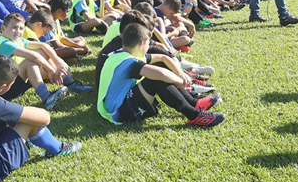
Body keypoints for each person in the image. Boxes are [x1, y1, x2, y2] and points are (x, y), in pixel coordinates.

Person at [96, 23, 225, 127]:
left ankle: (194, 103)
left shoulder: (122, 53)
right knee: (156, 79)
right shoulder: (128, 62)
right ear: (141, 45)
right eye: (148, 43)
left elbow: (162, 58)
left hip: (122, 101)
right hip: (119, 112)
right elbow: (161, 74)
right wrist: (180, 82)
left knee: (160, 68)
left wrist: (180, 74)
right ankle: (194, 115)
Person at [0, 13, 70, 111]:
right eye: (14, 27)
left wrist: (57, 63)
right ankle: (47, 98)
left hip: (13, 82)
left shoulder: (18, 40)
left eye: (21, 29)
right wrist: (51, 70)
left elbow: (44, 46)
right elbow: (34, 57)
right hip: (2, 89)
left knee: (43, 52)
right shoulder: (4, 43)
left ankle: (69, 82)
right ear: (3, 28)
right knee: (29, 62)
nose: (18, 31)